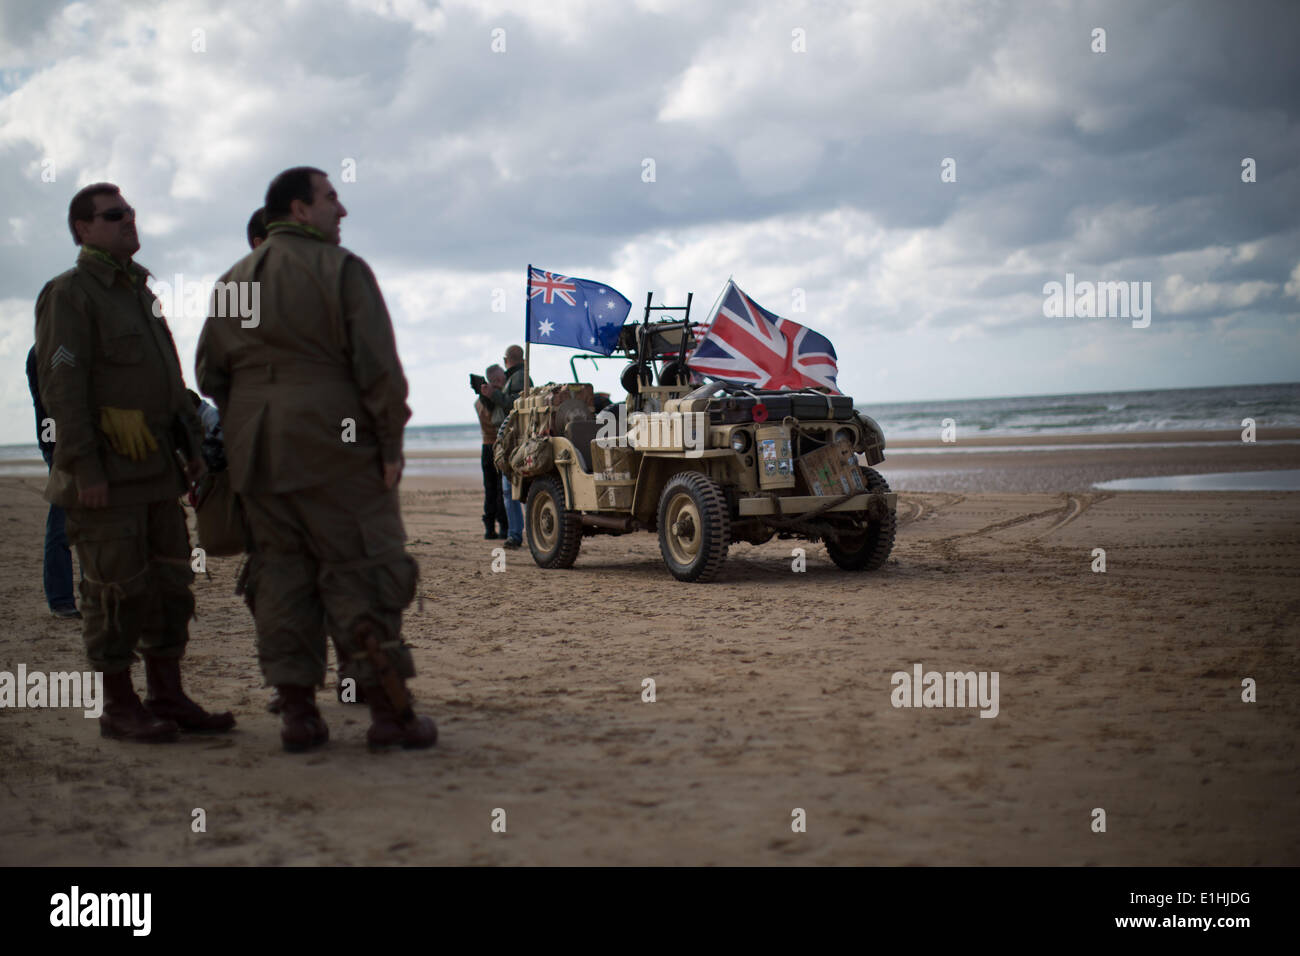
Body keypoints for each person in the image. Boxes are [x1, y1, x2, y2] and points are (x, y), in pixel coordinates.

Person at [196, 166, 436, 752]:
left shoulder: (235, 279)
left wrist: (250, 419)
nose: (342, 211)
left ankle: (299, 715)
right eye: (331, 198)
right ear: (299, 209)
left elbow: (209, 373)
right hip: (336, 444)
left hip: (259, 451)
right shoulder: (341, 270)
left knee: (281, 577)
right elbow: (379, 370)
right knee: (360, 568)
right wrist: (389, 447)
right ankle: (388, 713)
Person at [34, 182, 234, 742]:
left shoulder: (140, 292)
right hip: (108, 479)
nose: (129, 221)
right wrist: (84, 467)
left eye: (131, 212)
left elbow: (167, 385)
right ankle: (120, 707)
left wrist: (192, 451)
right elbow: (62, 384)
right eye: (114, 215)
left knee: (171, 587)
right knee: (113, 591)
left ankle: (167, 696)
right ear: (83, 229)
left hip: (156, 473)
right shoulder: (70, 294)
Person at [25, 345, 79, 618]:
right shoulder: (45, 351)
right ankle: (61, 599)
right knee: (62, 518)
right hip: (61, 446)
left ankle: (66, 598)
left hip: (69, 443)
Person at [479, 344, 531, 548]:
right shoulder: (517, 376)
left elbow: (515, 405)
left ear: (506, 360)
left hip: (513, 440)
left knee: (509, 489)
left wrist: (494, 395)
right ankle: (514, 533)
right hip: (512, 439)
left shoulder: (518, 377)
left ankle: (515, 534)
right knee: (508, 489)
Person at [475, 364, 509, 539]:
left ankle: (489, 528)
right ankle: (504, 526)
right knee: (501, 490)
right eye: (501, 378)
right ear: (496, 380)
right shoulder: (496, 399)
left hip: (485, 446)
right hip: (497, 446)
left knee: (489, 490)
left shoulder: (478, 401)